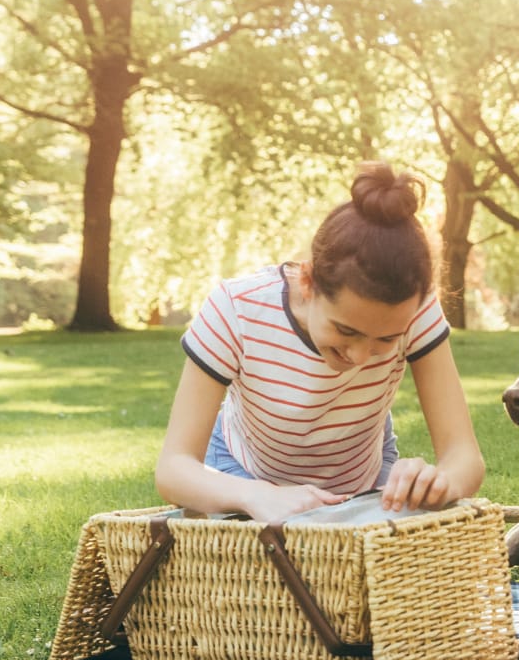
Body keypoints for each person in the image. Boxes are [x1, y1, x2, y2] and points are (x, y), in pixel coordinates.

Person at [155, 162, 484, 522]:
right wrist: (257, 495)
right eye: (346, 330)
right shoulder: (237, 310)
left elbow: (464, 458)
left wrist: (438, 482)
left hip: (365, 479)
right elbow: (174, 468)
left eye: (387, 338)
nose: (360, 357)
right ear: (309, 281)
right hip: (242, 476)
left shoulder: (417, 311)